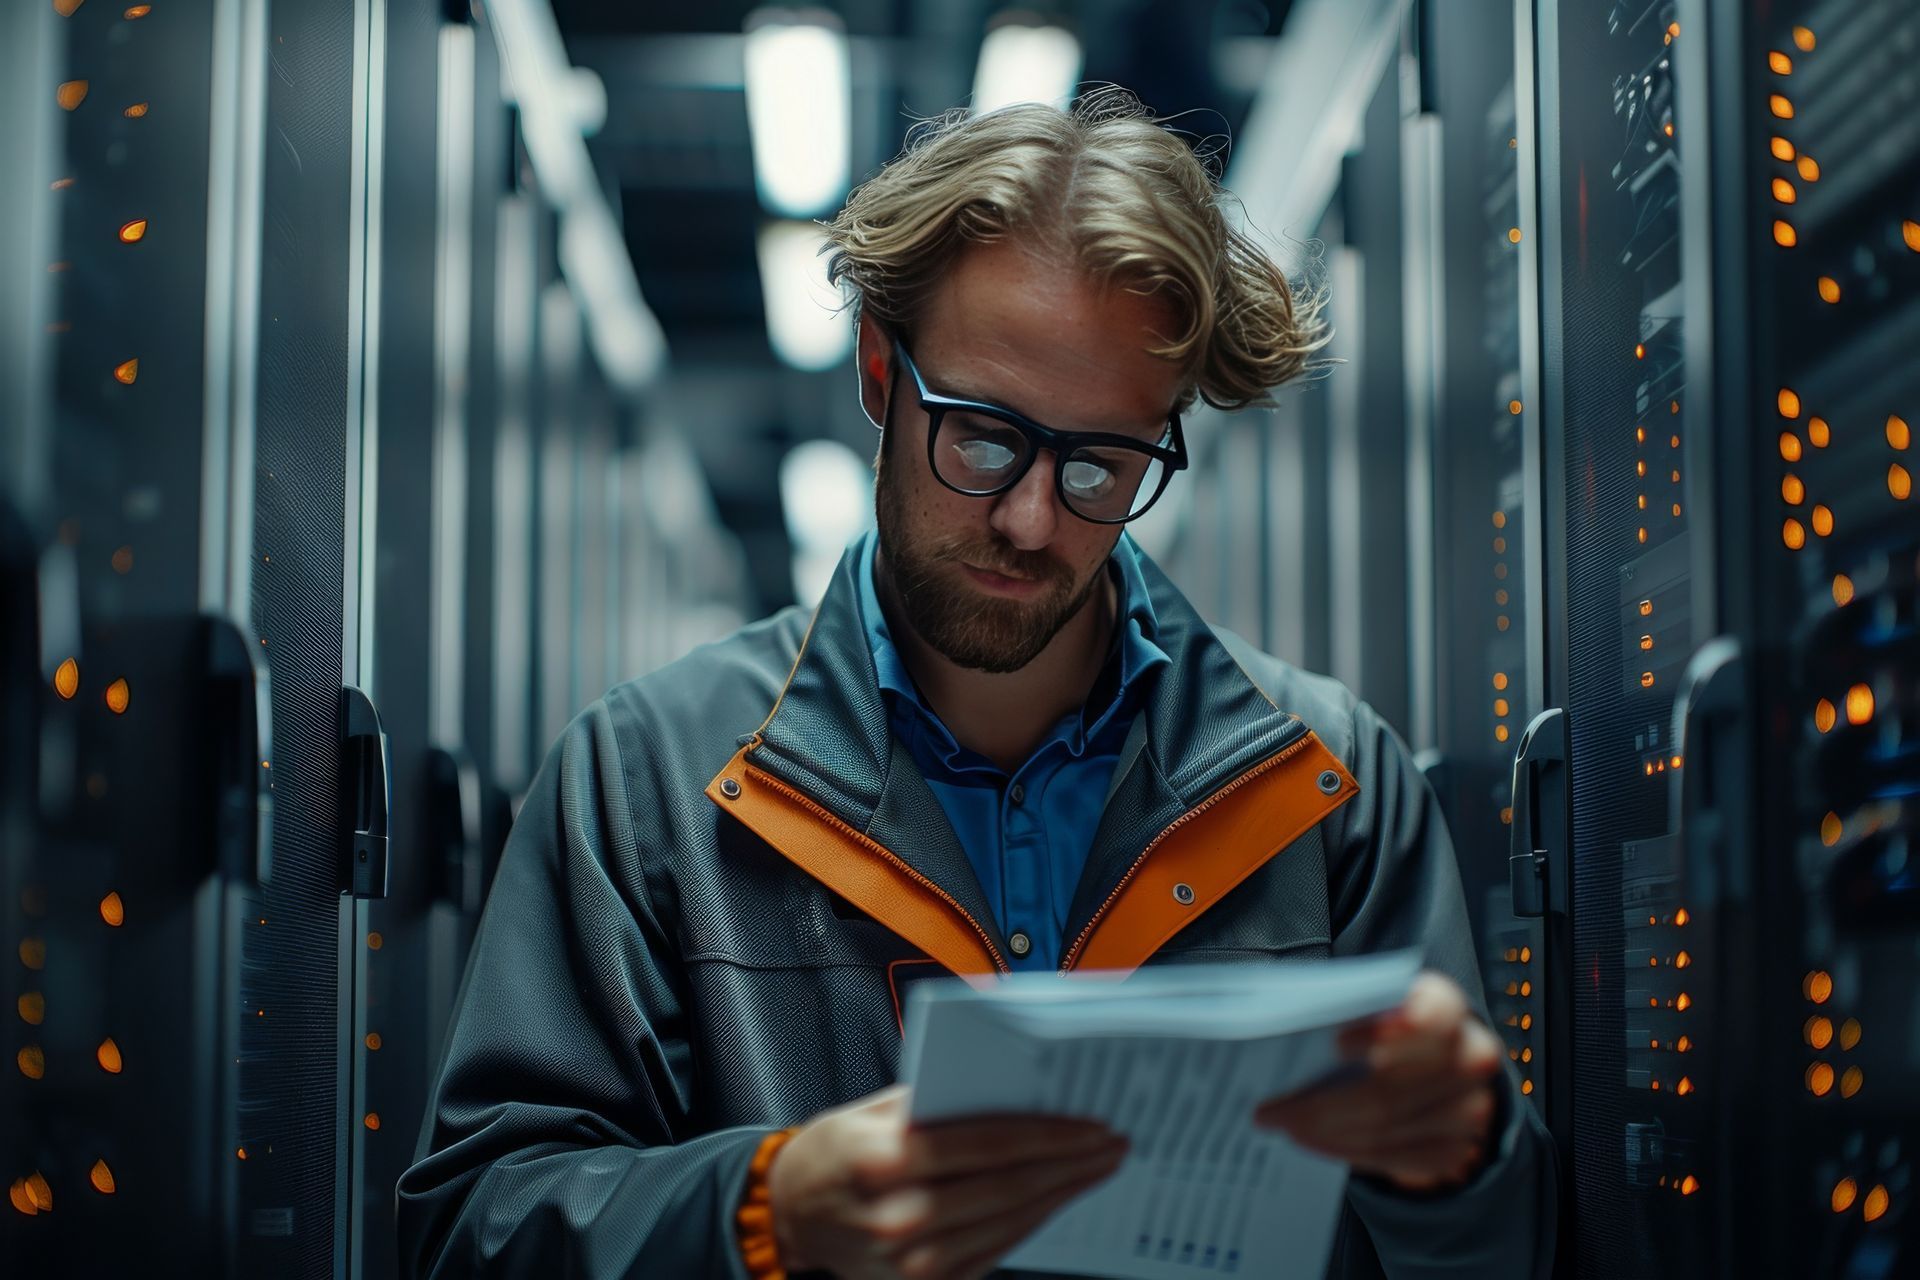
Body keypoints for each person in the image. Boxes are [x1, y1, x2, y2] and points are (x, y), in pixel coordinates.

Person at [397, 90, 1556, 1279]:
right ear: (877, 371)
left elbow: (1494, 1254)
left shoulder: (1327, 786)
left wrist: (1456, 1161)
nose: (1030, 516)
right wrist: (768, 1206)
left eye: (1102, 462)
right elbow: (476, 1224)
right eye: (984, 436)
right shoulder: (647, 781)